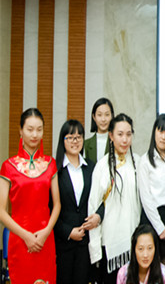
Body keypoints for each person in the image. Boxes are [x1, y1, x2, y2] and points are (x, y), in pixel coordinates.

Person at [0, 108, 61, 284]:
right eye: (30, 129)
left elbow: (57, 204)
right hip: (19, 240)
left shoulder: (50, 164)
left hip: (45, 239)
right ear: (20, 131)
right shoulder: (8, 167)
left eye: (39, 129)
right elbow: (1, 211)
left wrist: (46, 232)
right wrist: (26, 236)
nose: (35, 134)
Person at [88, 113, 142, 284]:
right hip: (110, 245)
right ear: (111, 136)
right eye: (120, 134)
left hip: (135, 242)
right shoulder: (102, 166)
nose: (125, 139)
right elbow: (93, 207)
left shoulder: (138, 162)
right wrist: (95, 249)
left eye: (128, 134)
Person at [54, 119, 96, 284]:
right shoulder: (55, 170)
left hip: (86, 242)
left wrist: (96, 218)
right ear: (62, 140)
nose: (75, 141)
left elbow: (99, 199)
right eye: (70, 137)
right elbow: (50, 208)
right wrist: (68, 232)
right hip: (63, 242)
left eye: (79, 137)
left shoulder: (91, 168)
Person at [138, 113, 165, 261]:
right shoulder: (145, 161)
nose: (163, 137)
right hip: (152, 219)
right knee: (152, 265)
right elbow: (146, 198)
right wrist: (159, 227)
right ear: (154, 132)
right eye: (160, 131)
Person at [84, 97, 115, 162]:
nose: (103, 119)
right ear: (94, 117)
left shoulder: (116, 143)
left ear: (111, 116)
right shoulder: (85, 144)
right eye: (99, 115)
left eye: (107, 115)